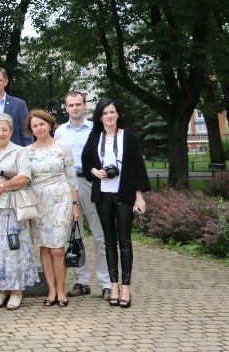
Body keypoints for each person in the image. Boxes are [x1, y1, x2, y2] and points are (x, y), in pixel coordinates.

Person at [81, 98, 151, 309]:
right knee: (108, 241)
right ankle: (113, 286)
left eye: (112, 112)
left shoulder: (128, 137)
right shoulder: (95, 137)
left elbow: (138, 166)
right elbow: (86, 161)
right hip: (103, 195)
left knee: (125, 241)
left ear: (118, 114)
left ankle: (126, 288)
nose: (109, 116)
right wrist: (94, 171)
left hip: (125, 195)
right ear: (100, 117)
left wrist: (139, 196)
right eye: (105, 113)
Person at [0, 114, 38, 311]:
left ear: (11, 131)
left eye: (5, 129)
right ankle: (2, 288)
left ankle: (16, 290)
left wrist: (0, 187)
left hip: (13, 207)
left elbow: (25, 178)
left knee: (14, 247)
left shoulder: (20, 152)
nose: (1, 133)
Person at [55, 91, 110, 300]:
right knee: (75, 235)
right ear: (66, 107)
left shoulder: (96, 130)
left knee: (100, 235)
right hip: (68, 185)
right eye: (71, 105)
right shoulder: (60, 132)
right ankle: (82, 281)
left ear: (85, 105)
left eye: (78, 104)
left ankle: (106, 282)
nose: (75, 108)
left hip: (92, 182)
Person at [25, 109, 80, 308]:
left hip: (61, 200)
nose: (39, 128)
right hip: (38, 202)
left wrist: (75, 205)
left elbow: (72, 177)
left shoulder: (62, 147)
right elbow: (25, 177)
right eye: (35, 126)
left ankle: (62, 290)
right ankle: (51, 291)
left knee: (57, 248)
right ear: (31, 130)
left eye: (42, 124)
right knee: (45, 248)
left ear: (49, 125)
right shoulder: (28, 151)